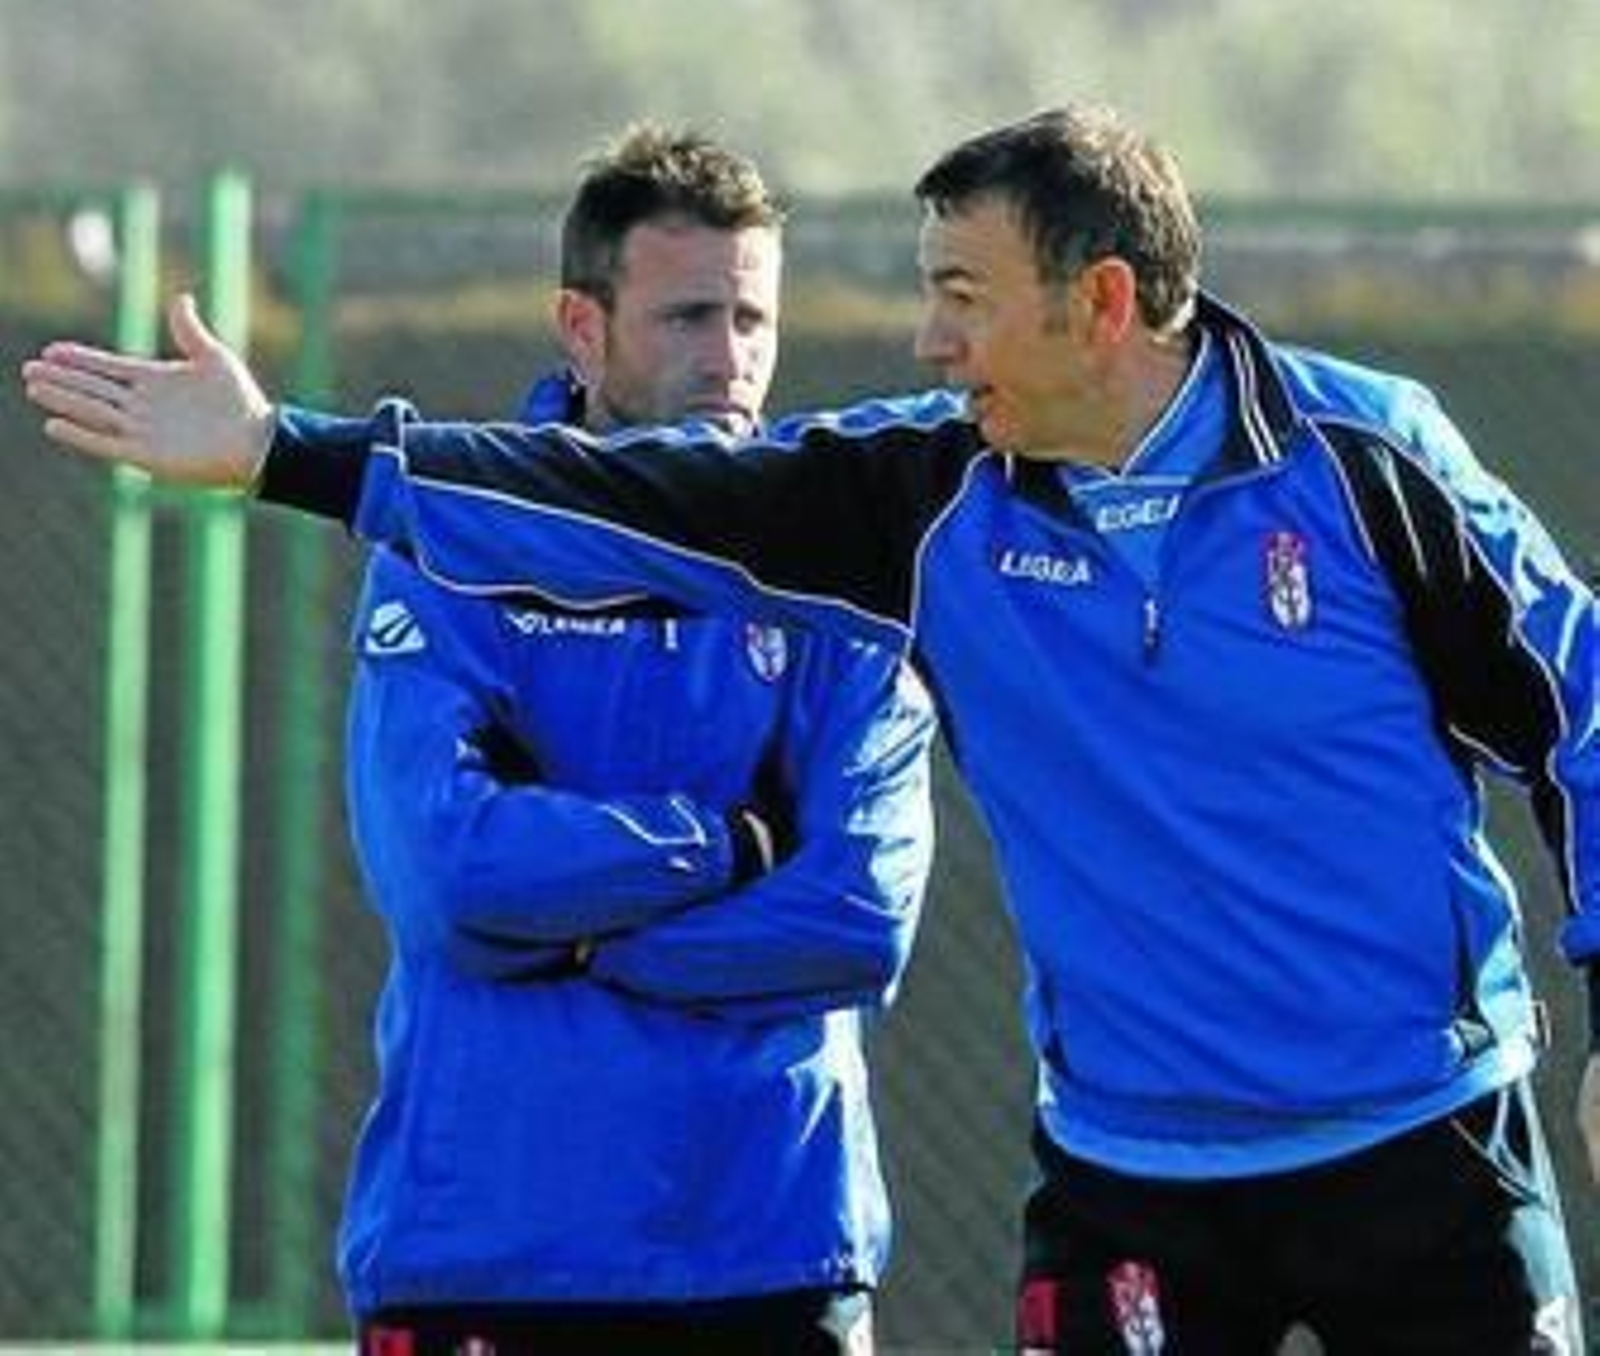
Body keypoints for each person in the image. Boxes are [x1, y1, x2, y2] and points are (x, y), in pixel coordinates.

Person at [24, 102, 1600, 1354]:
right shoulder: (926, 500)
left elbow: (1581, 705)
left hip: (1429, 1139)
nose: (926, 343)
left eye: (962, 299)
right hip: (1139, 1182)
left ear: (1101, 301)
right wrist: (287, 454)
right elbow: (628, 492)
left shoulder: (1366, 459)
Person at [318, 124, 942, 1353]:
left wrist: (582, 936)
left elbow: (858, 916)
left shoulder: (837, 570)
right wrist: (729, 846)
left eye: (752, 321)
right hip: (485, 1250)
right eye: (687, 319)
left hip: (772, 1251)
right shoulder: (451, 550)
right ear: (581, 328)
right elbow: (444, 873)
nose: (729, 361)